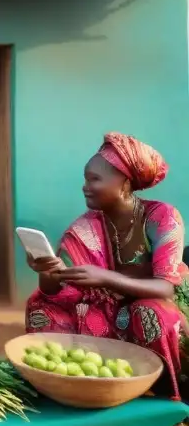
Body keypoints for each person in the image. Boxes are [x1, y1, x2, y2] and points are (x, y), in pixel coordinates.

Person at [25, 133, 187, 399]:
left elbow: (165, 289)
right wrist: (46, 271)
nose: (85, 186)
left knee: (149, 313)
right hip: (108, 306)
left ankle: (164, 397)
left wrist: (105, 277)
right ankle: (72, 388)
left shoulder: (162, 217)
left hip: (157, 305)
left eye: (94, 179)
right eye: (85, 178)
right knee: (41, 305)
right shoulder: (86, 226)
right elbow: (55, 290)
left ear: (124, 183)